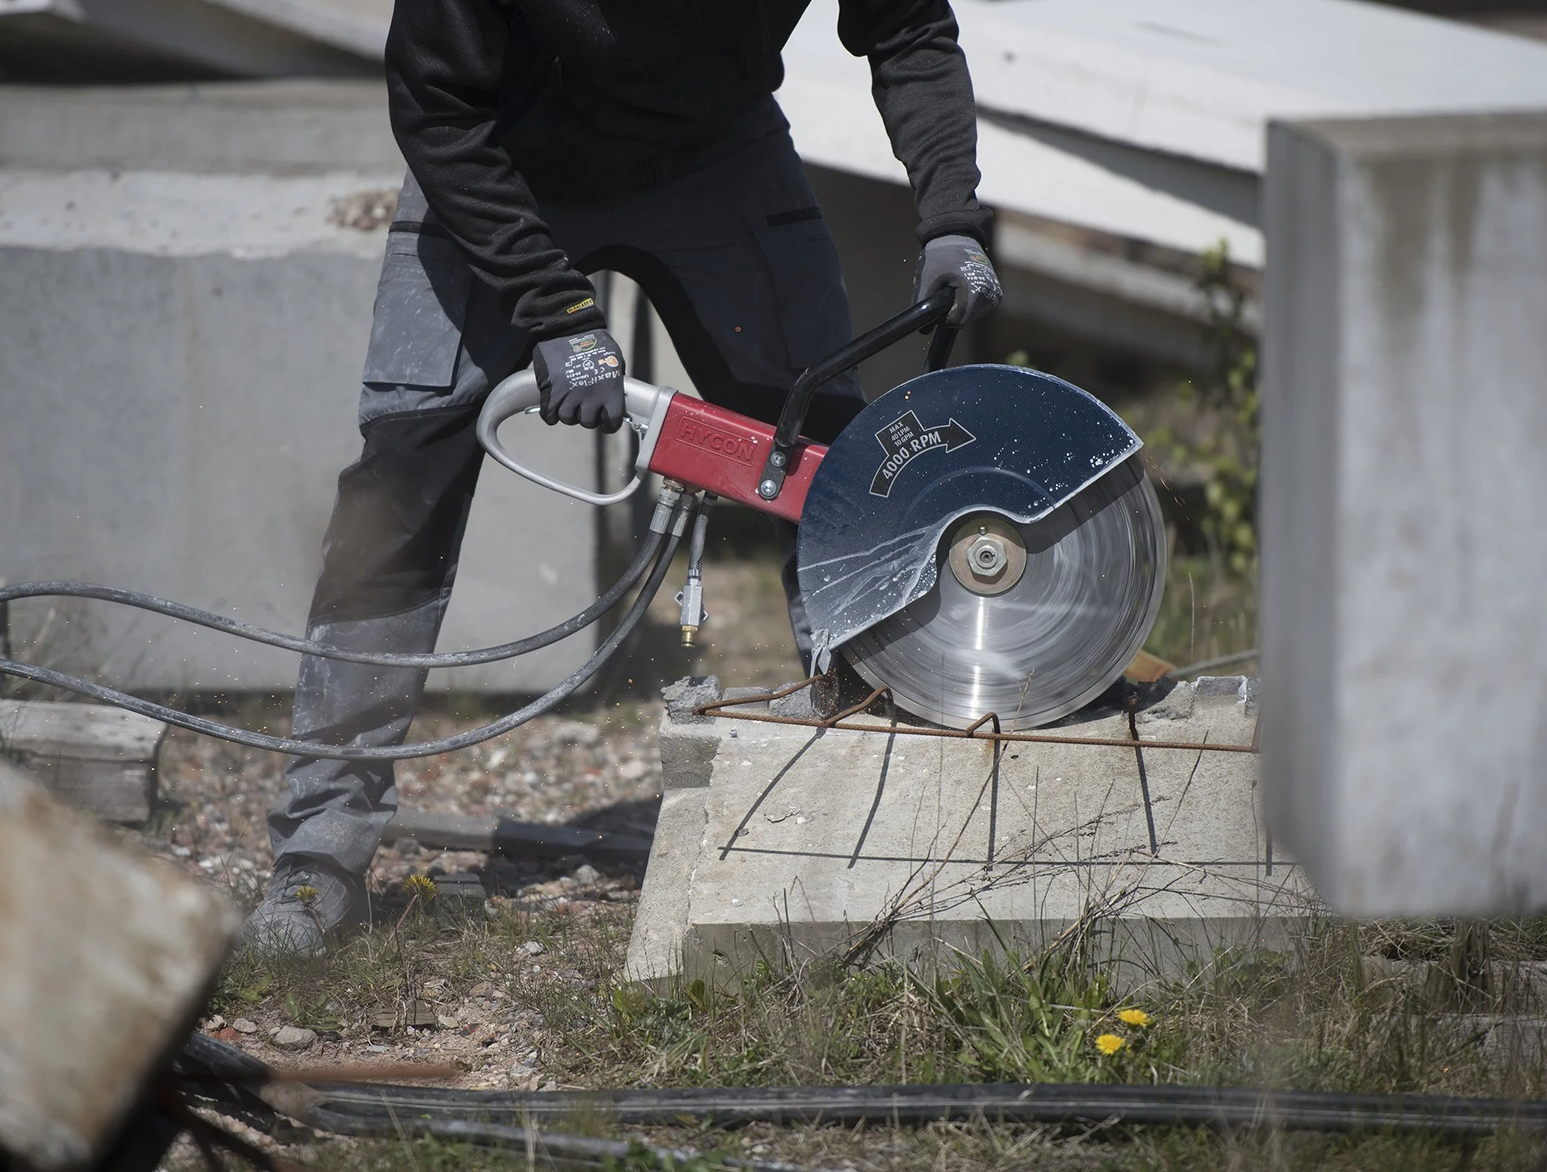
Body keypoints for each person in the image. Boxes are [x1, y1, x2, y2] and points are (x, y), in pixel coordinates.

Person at [243, 0, 1003, 955]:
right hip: (499, 155)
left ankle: (894, 806)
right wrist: (556, 310)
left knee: (833, 466)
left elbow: (909, 29)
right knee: (402, 480)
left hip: (717, 153)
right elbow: (436, 105)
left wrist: (950, 214)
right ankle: (318, 858)